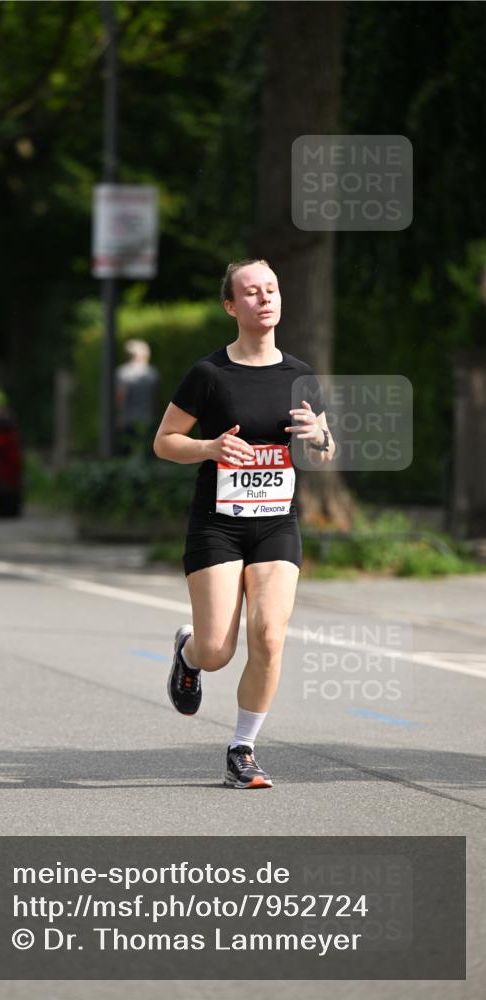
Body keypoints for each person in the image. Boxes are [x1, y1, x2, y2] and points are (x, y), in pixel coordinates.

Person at [153, 258, 334, 789]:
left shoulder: (300, 375)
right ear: (232, 306)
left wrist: (317, 438)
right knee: (217, 650)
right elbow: (165, 441)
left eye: (272, 289)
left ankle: (242, 749)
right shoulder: (208, 374)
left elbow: (324, 452)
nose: (265, 298)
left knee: (270, 637)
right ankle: (189, 653)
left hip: (278, 523)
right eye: (252, 292)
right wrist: (210, 446)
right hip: (219, 525)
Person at [115, 339, 159, 457]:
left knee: (126, 452)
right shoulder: (152, 372)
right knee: (146, 452)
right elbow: (155, 398)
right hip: (148, 418)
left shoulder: (123, 372)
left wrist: (120, 416)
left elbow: (120, 397)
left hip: (128, 419)